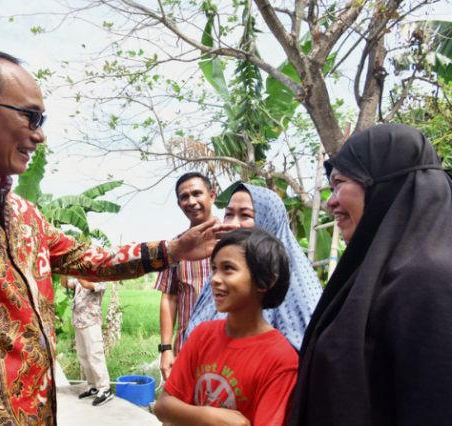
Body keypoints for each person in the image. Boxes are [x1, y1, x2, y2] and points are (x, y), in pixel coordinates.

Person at [0, 50, 228, 425]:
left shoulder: (23, 214)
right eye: (30, 116)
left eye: (42, 119)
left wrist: (174, 249)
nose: (39, 134)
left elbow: (87, 259)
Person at [288, 123, 452, 425]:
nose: (330, 201)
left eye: (339, 183)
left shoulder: (428, 282)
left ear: (383, 186)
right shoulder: (369, 277)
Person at [153, 228, 298, 426]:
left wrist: (185, 413)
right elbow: (163, 407)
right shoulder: (202, 335)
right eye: (214, 268)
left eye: (228, 268)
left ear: (266, 281)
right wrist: (210, 417)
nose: (214, 279)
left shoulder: (282, 361)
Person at [185, 183, 323, 350]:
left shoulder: (295, 286)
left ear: (269, 220)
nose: (234, 224)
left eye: (245, 215)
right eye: (229, 214)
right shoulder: (219, 274)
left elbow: (306, 354)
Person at [156, 172, 216, 380]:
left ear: (212, 195)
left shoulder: (233, 240)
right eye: (184, 197)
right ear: (179, 203)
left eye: (197, 194)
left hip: (226, 347)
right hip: (185, 347)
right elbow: (169, 298)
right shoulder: (175, 248)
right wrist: (165, 349)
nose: (191, 201)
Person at [63, 277, 112, 406]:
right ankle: (93, 386)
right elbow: (65, 284)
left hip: (91, 322)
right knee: (83, 356)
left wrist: (75, 270)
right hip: (79, 321)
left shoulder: (100, 278)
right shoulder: (80, 278)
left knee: (95, 356)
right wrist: (64, 272)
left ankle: (105, 388)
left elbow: (85, 284)